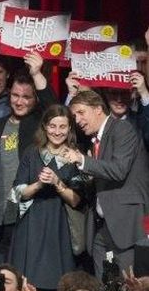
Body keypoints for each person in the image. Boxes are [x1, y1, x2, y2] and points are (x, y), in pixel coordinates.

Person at [63, 90, 149, 275]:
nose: (77, 120)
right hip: (103, 225)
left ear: (98, 109)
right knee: (104, 285)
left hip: (125, 223)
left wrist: (82, 160)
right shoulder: (95, 140)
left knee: (128, 287)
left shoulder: (122, 129)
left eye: (80, 112)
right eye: (74, 116)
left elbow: (119, 170)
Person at [9, 105, 84, 291]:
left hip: (60, 227)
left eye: (62, 127)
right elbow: (18, 192)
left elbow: (76, 200)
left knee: (59, 286)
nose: (57, 132)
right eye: (52, 126)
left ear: (69, 129)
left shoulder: (75, 156)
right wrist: (39, 185)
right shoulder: (31, 152)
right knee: (27, 283)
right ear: (44, 127)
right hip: (31, 224)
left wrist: (57, 182)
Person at [0, 53, 57, 262]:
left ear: (35, 99)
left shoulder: (39, 124)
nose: (19, 101)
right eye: (15, 95)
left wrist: (37, 73)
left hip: (26, 210)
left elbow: (53, 108)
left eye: (26, 97)